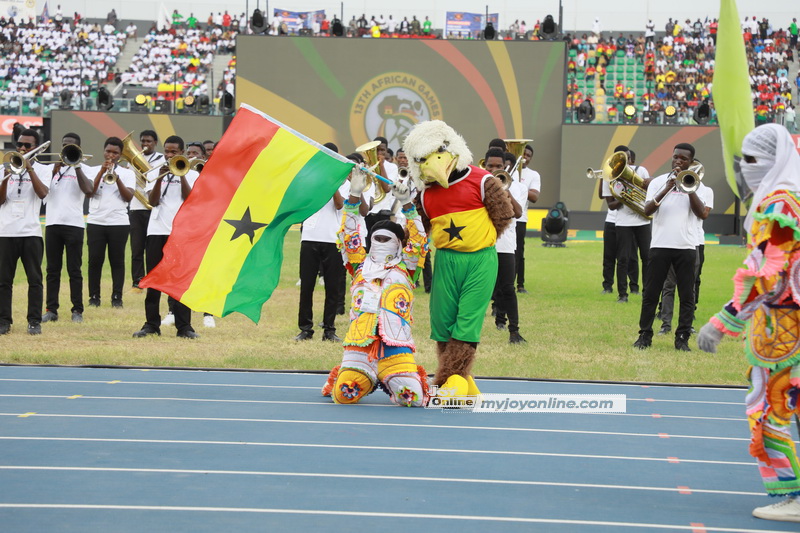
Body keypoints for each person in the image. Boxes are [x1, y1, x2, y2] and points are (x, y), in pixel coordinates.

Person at [698, 124, 800, 523]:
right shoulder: (789, 197)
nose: (745, 171)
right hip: (784, 326)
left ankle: (792, 495)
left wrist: (723, 322)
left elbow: (768, 277)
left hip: (782, 332)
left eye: (752, 162)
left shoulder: (780, 204)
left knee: (768, 408)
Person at [404, 120, 514, 398]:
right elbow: (418, 231)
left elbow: (503, 216)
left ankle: (447, 380)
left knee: (466, 322)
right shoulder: (426, 194)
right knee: (442, 322)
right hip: (445, 261)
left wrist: (479, 239)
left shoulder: (482, 180)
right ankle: (460, 378)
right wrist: (406, 204)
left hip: (479, 260)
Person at [321, 165, 429, 406]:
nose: (381, 242)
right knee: (344, 395)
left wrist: (408, 204)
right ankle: (354, 374)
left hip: (396, 349)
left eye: (387, 239)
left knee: (411, 399)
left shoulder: (408, 268)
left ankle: (389, 377)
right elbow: (347, 236)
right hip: (360, 348)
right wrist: (354, 196)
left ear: (400, 243)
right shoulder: (358, 266)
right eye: (376, 238)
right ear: (369, 241)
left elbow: (421, 240)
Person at [633, 143, 707, 351]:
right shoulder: (657, 182)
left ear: (690, 162)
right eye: (676, 157)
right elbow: (647, 211)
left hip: (686, 246)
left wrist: (688, 187)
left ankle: (682, 338)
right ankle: (644, 335)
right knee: (651, 294)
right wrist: (668, 186)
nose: (678, 161)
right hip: (659, 245)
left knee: (687, 295)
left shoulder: (697, 184)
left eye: (683, 159)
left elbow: (701, 213)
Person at [133, 136, 200, 339]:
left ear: (181, 152)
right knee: (154, 279)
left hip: (180, 234)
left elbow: (190, 199)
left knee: (180, 281)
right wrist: (161, 177)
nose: (170, 155)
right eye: (167, 152)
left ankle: (184, 326)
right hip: (156, 232)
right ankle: (151, 324)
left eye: (174, 152)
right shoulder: (154, 172)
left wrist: (180, 175)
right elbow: (152, 202)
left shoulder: (193, 174)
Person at [295, 143, 349, 342]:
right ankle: (305, 329)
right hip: (309, 236)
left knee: (333, 287)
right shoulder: (309, 177)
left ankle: (329, 329)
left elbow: (339, 205)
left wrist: (331, 182)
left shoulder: (343, 180)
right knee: (307, 285)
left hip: (332, 237)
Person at [0, 130, 50, 335]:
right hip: (5, 232)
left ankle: (34, 321)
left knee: (35, 280)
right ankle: (4, 321)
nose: (22, 149)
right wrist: (5, 178)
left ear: (36, 148)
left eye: (27, 146)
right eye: (19, 145)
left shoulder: (43, 169)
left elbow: (43, 193)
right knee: (3, 281)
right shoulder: (4, 167)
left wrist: (29, 169)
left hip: (31, 232)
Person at [41, 133, 93, 324]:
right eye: (64, 145)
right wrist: (54, 172)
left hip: (75, 225)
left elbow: (88, 191)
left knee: (74, 270)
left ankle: (77, 310)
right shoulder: (50, 169)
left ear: (78, 148)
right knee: (52, 270)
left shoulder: (85, 168)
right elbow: (41, 192)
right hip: (53, 224)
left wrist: (76, 165)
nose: (66, 148)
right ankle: (51, 309)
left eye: (70, 146)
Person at [657, 178, 713, 335]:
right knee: (668, 285)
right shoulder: (672, 187)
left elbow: (703, 214)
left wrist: (690, 190)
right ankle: (665, 324)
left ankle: (687, 324)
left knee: (689, 287)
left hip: (694, 243)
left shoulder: (706, 190)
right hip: (672, 242)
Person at [86, 138, 135, 310]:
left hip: (118, 222)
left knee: (117, 261)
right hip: (95, 221)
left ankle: (116, 297)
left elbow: (128, 197)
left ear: (120, 155)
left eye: (115, 153)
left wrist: (117, 178)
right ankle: (94, 297)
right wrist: (101, 172)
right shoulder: (92, 171)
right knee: (94, 261)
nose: (111, 155)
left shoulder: (128, 173)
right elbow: (89, 192)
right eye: (108, 151)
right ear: (104, 151)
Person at [485, 149, 525, 343]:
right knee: (482, 288)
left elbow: (518, 212)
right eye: (490, 166)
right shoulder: (479, 185)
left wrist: (505, 190)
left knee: (507, 288)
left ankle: (514, 331)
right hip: (483, 243)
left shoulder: (512, 185)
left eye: (498, 166)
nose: (494, 169)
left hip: (506, 245)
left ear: (504, 167)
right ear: (484, 166)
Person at [612, 145, 651, 303]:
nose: (626, 162)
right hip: (623, 222)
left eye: (627, 158)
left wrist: (634, 189)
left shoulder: (641, 171)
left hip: (642, 220)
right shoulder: (612, 177)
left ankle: (647, 292)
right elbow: (611, 204)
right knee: (623, 258)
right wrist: (624, 196)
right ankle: (622, 294)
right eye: (621, 159)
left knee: (647, 257)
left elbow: (649, 192)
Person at [129, 130, 165, 291]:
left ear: (155, 142)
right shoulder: (132, 160)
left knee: (154, 249)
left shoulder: (162, 160)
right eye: (143, 141)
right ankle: (137, 280)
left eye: (149, 141)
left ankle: (156, 279)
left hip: (154, 208)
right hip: (137, 207)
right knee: (136, 247)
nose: (145, 144)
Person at [516, 144, 540, 293]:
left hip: (520, 218)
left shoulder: (533, 175)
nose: (525, 157)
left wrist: (518, 184)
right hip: (504, 217)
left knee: (519, 252)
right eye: (522, 153)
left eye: (528, 155)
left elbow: (535, 197)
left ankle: (520, 284)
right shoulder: (507, 171)